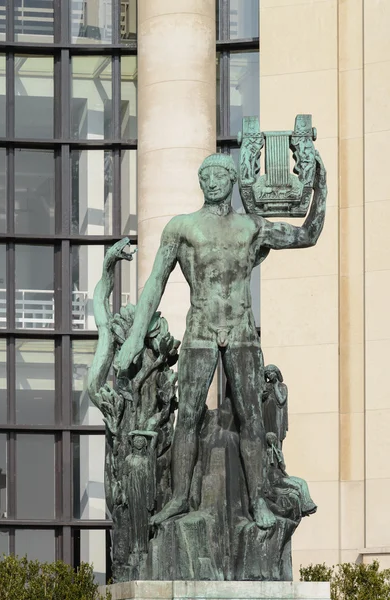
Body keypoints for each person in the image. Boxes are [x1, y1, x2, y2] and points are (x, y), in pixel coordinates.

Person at [116, 151, 327, 529]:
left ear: (232, 181)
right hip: (201, 330)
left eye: (218, 176)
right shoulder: (181, 228)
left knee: (251, 419)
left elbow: (308, 235)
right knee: (189, 417)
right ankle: (180, 498)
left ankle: (259, 500)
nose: (211, 182)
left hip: (242, 332)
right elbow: (154, 285)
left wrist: (320, 184)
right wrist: (134, 337)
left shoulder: (251, 227)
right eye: (205, 177)